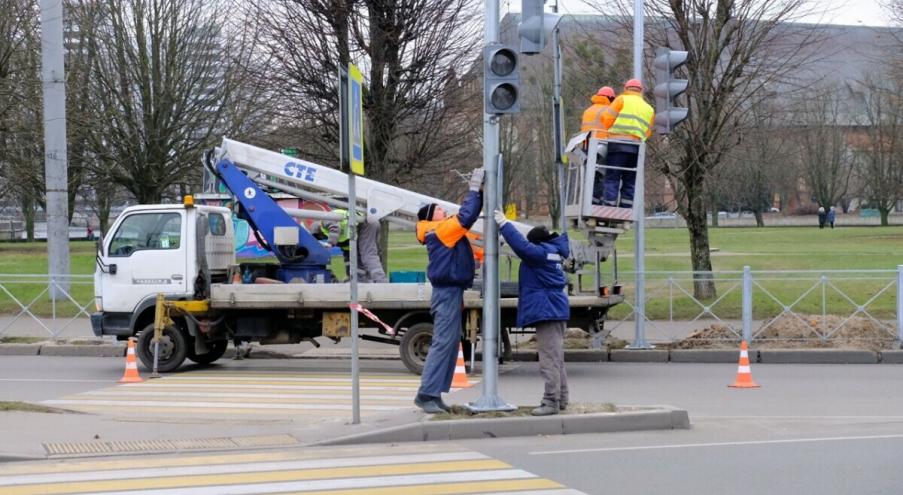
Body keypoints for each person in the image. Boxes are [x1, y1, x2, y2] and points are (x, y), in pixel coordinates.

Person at [413, 168, 485, 413]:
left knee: (451, 342)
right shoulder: (442, 230)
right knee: (444, 342)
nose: (446, 210)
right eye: (441, 210)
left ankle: (435, 394)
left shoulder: (441, 231)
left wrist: (481, 194)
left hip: (451, 292)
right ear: (433, 217)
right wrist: (474, 190)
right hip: (447, 293)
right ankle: (426, 394)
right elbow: (467, 216)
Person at [495, 213, 570, 416]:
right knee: (556, 358)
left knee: (549, 359)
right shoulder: (552, 250)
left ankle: (550, 401)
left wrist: (504, 224)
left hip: (548, 310)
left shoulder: (539, 254)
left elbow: (523, 247)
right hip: (555, 309)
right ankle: (561, 398)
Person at [600, 79, 655, 209]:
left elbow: (606, 119)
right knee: (630, 179)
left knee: (613, 177)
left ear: (626, 88)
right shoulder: (649, 109)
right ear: (641, 91)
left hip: (617, 145)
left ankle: (609, 206)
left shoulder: (621, 100)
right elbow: (648, 132)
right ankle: (626, 207)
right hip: (636, 149)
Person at [311, 209, 388, 283]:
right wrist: (349, 275)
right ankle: (360, 282)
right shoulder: (337, 237)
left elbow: (334, 228)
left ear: (318, 230)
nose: (322, 238)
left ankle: (382, 283)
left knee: (368, 256)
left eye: (320, 237)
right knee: (359, 261)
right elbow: (348, 254)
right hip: (360, 229)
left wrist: (330, 243)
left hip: (365, 224)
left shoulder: (325, 220)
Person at [580, 86, 617, 204]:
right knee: (604, 176)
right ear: (610, 98)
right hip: (602, 147)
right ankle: (598, 201)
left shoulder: (587, 111)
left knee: (592, 177)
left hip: (587, 147)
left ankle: (591, 201)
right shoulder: (609, 111)